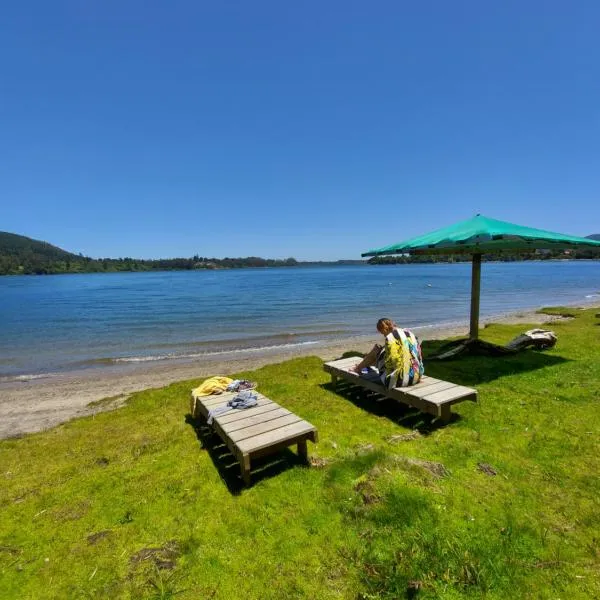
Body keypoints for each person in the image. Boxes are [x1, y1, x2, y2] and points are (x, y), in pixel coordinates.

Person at [353, 318, 424, 388]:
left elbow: (391, 361)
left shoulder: (390, 337)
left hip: (397, 381)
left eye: (382, 332)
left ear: (384, 329)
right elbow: (419, 356)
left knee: (376, 349)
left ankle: (358, 368)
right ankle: (363, 365)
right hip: (416, 377)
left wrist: (376, 361)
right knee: (381, 354)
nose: (384, 335)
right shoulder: (410, 334)